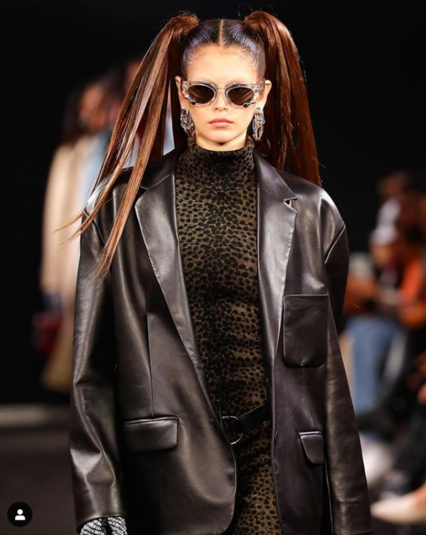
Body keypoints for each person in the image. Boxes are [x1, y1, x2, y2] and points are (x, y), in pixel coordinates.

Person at [67, 10, 374, 535]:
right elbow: (90, 373)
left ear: (263, 95)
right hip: (169, 477)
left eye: (238, 92)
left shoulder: (311, 213)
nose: (220, 106)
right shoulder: (122, 208)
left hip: (280, 474)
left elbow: (323, 378)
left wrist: (350, 517)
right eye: (204, 91)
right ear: (182, 94)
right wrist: (100, 506)